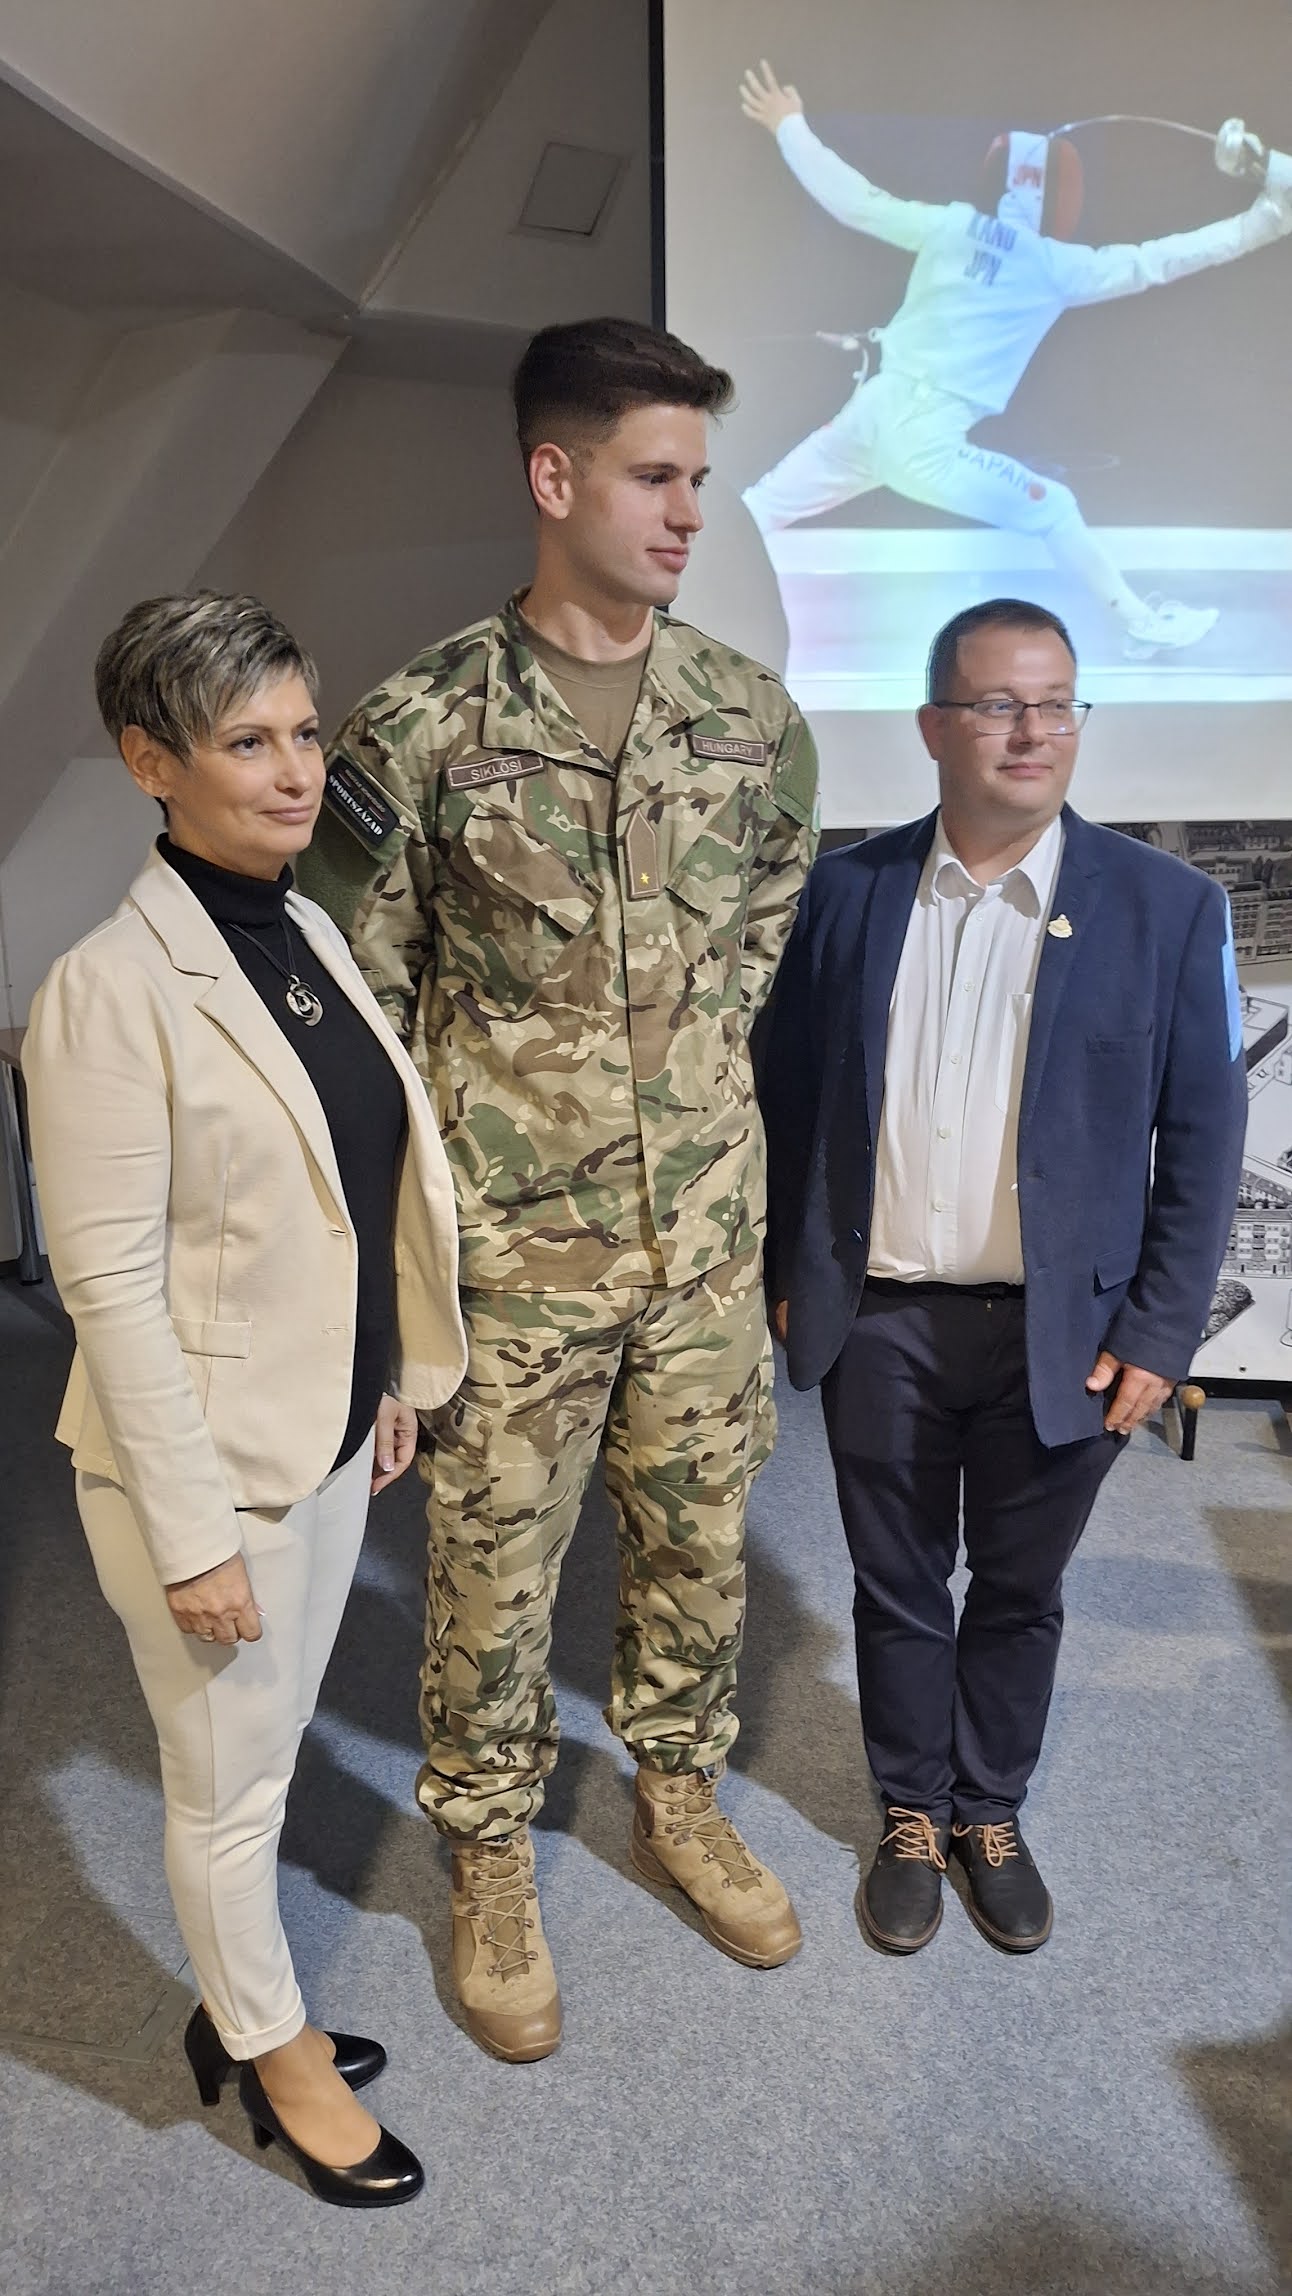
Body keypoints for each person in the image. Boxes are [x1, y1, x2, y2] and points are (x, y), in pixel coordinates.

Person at [298, 316, 819, 2062]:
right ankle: (488, 1847)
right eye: (654, 477)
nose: (687, 515)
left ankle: (679, 1794)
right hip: (511, 1264)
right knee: (491, 1566)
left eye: (698, 481)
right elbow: (355, 1012)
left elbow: (754, 955)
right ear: (553, 476)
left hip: (702, 1246)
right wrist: (395, 1280)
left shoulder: (750, 719)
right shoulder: (419, 725)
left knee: (699, 1541)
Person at [23, 593, 466, 2205]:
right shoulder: (106, 989)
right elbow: (111, 1291)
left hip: (324, 1432)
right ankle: (271, 2055)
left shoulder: (299, 931)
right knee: (231, 1790)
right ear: (151, 762)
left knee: (265, 1755)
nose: (296, 773)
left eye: (304, 731)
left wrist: (387, 1377)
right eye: (246, 742)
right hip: (201, 1479)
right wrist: (195, 1532)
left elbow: (342, 1191)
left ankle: (247, 2006)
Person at [759, 597, 1246, 1954]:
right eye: (996, 704)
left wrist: (1161, 1330)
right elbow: (788, 1096)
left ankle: (990, 1810)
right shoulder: (846, 895)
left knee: (1021, 1590)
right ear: (933, 726)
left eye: (1056, 703)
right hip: (882, 1323)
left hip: (1068, 1336)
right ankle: (911, 1813)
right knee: (897, 1587)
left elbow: (1203, 1138)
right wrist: (790, 1269)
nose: (1032, 731)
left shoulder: (1165, 908)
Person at [739, 61, 1292, 655]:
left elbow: (855, 201)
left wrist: (789, 126)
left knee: (751, 512)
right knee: (1053, 508)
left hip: (872, 411)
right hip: (927, 440)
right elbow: (1162, 259)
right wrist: (1267, 220)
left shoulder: (950, 226)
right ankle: (1140, 625)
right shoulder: (1055, 267)